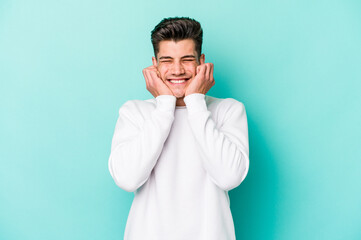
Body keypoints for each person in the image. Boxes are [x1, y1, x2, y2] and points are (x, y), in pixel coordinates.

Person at [108, 16, 250, 240]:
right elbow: (127, 179)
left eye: (186, 59)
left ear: (201, 62)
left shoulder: (229, 110)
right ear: (154, 65)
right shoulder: (134, 112)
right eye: (167, 60)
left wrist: (195, 101)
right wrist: (165, 106)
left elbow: (228, 177)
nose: (177, 70)